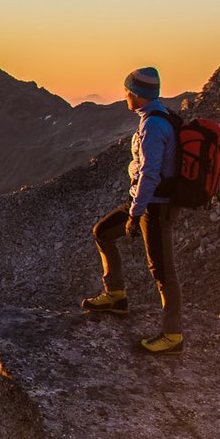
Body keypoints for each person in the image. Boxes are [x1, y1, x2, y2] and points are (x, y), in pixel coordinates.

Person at [82, 66, 184, 354]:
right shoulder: (155, 118)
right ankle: (115, 295)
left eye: (127, 91)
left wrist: (136, 212)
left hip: (154, 207)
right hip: (144, 202)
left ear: (137, 95)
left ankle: (172, 335)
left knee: (163, 270)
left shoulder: (153, 126)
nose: (124, 96)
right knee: (103, 232)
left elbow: (151, 174)